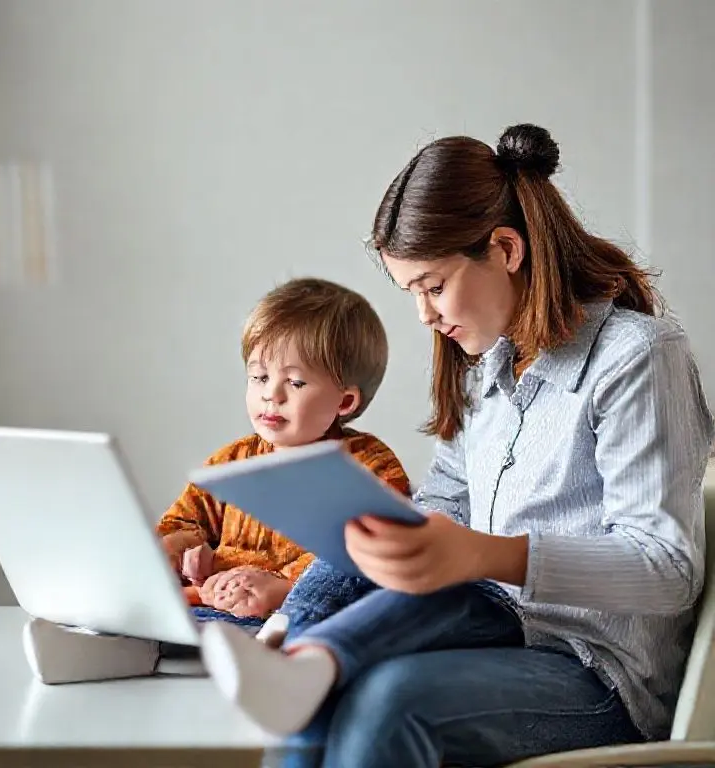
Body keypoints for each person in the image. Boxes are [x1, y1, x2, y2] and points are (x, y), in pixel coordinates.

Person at [201, 124, 715, 768]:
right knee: (341, 663)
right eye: (411, 293)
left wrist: (482, 554)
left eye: (432, 286)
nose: (424, 315)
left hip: (600, 673)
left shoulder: (637, 355)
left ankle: (304, 655)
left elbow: (667, 570)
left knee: (389, 697)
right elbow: (440, 507)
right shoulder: (488, 373)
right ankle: (297, 648)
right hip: (488, 628)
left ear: (505, 249)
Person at [156, 277, 409, 627]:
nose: (271, 395)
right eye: (259, 377)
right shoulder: (233, 461)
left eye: (295, 382)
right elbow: (183, 521)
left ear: (345, 401)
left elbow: (371, 555)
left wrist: (284, 586)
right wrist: (184, 552)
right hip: (205, 608)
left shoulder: (367, 466)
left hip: (301, 616)